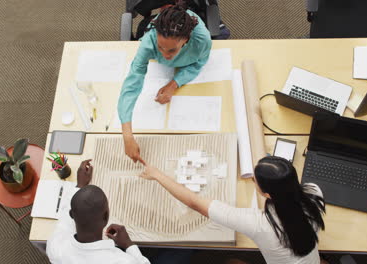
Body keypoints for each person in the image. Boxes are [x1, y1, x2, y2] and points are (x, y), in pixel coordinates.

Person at [140, 156, 327, 264]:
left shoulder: (260, 225)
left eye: (254, 180)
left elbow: (195, 202)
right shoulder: (314, 192)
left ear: (268, 194)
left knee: (229, 261)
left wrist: (156, 174)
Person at [118, 0, 212, 164]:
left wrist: (174, 83)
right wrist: (127, 135)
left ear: (186, 39)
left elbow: (198, 63)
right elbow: (132, 82)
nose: (165, 55)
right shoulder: (149, 41)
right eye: (160, 47)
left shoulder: (202, 40)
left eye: (172, 50)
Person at [47, 160, 150, 264]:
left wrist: (80, 186)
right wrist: (129, 245)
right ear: (106, 217)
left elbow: (65, 217)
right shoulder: (123, 260)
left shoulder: (55, 246)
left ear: (71, 215)